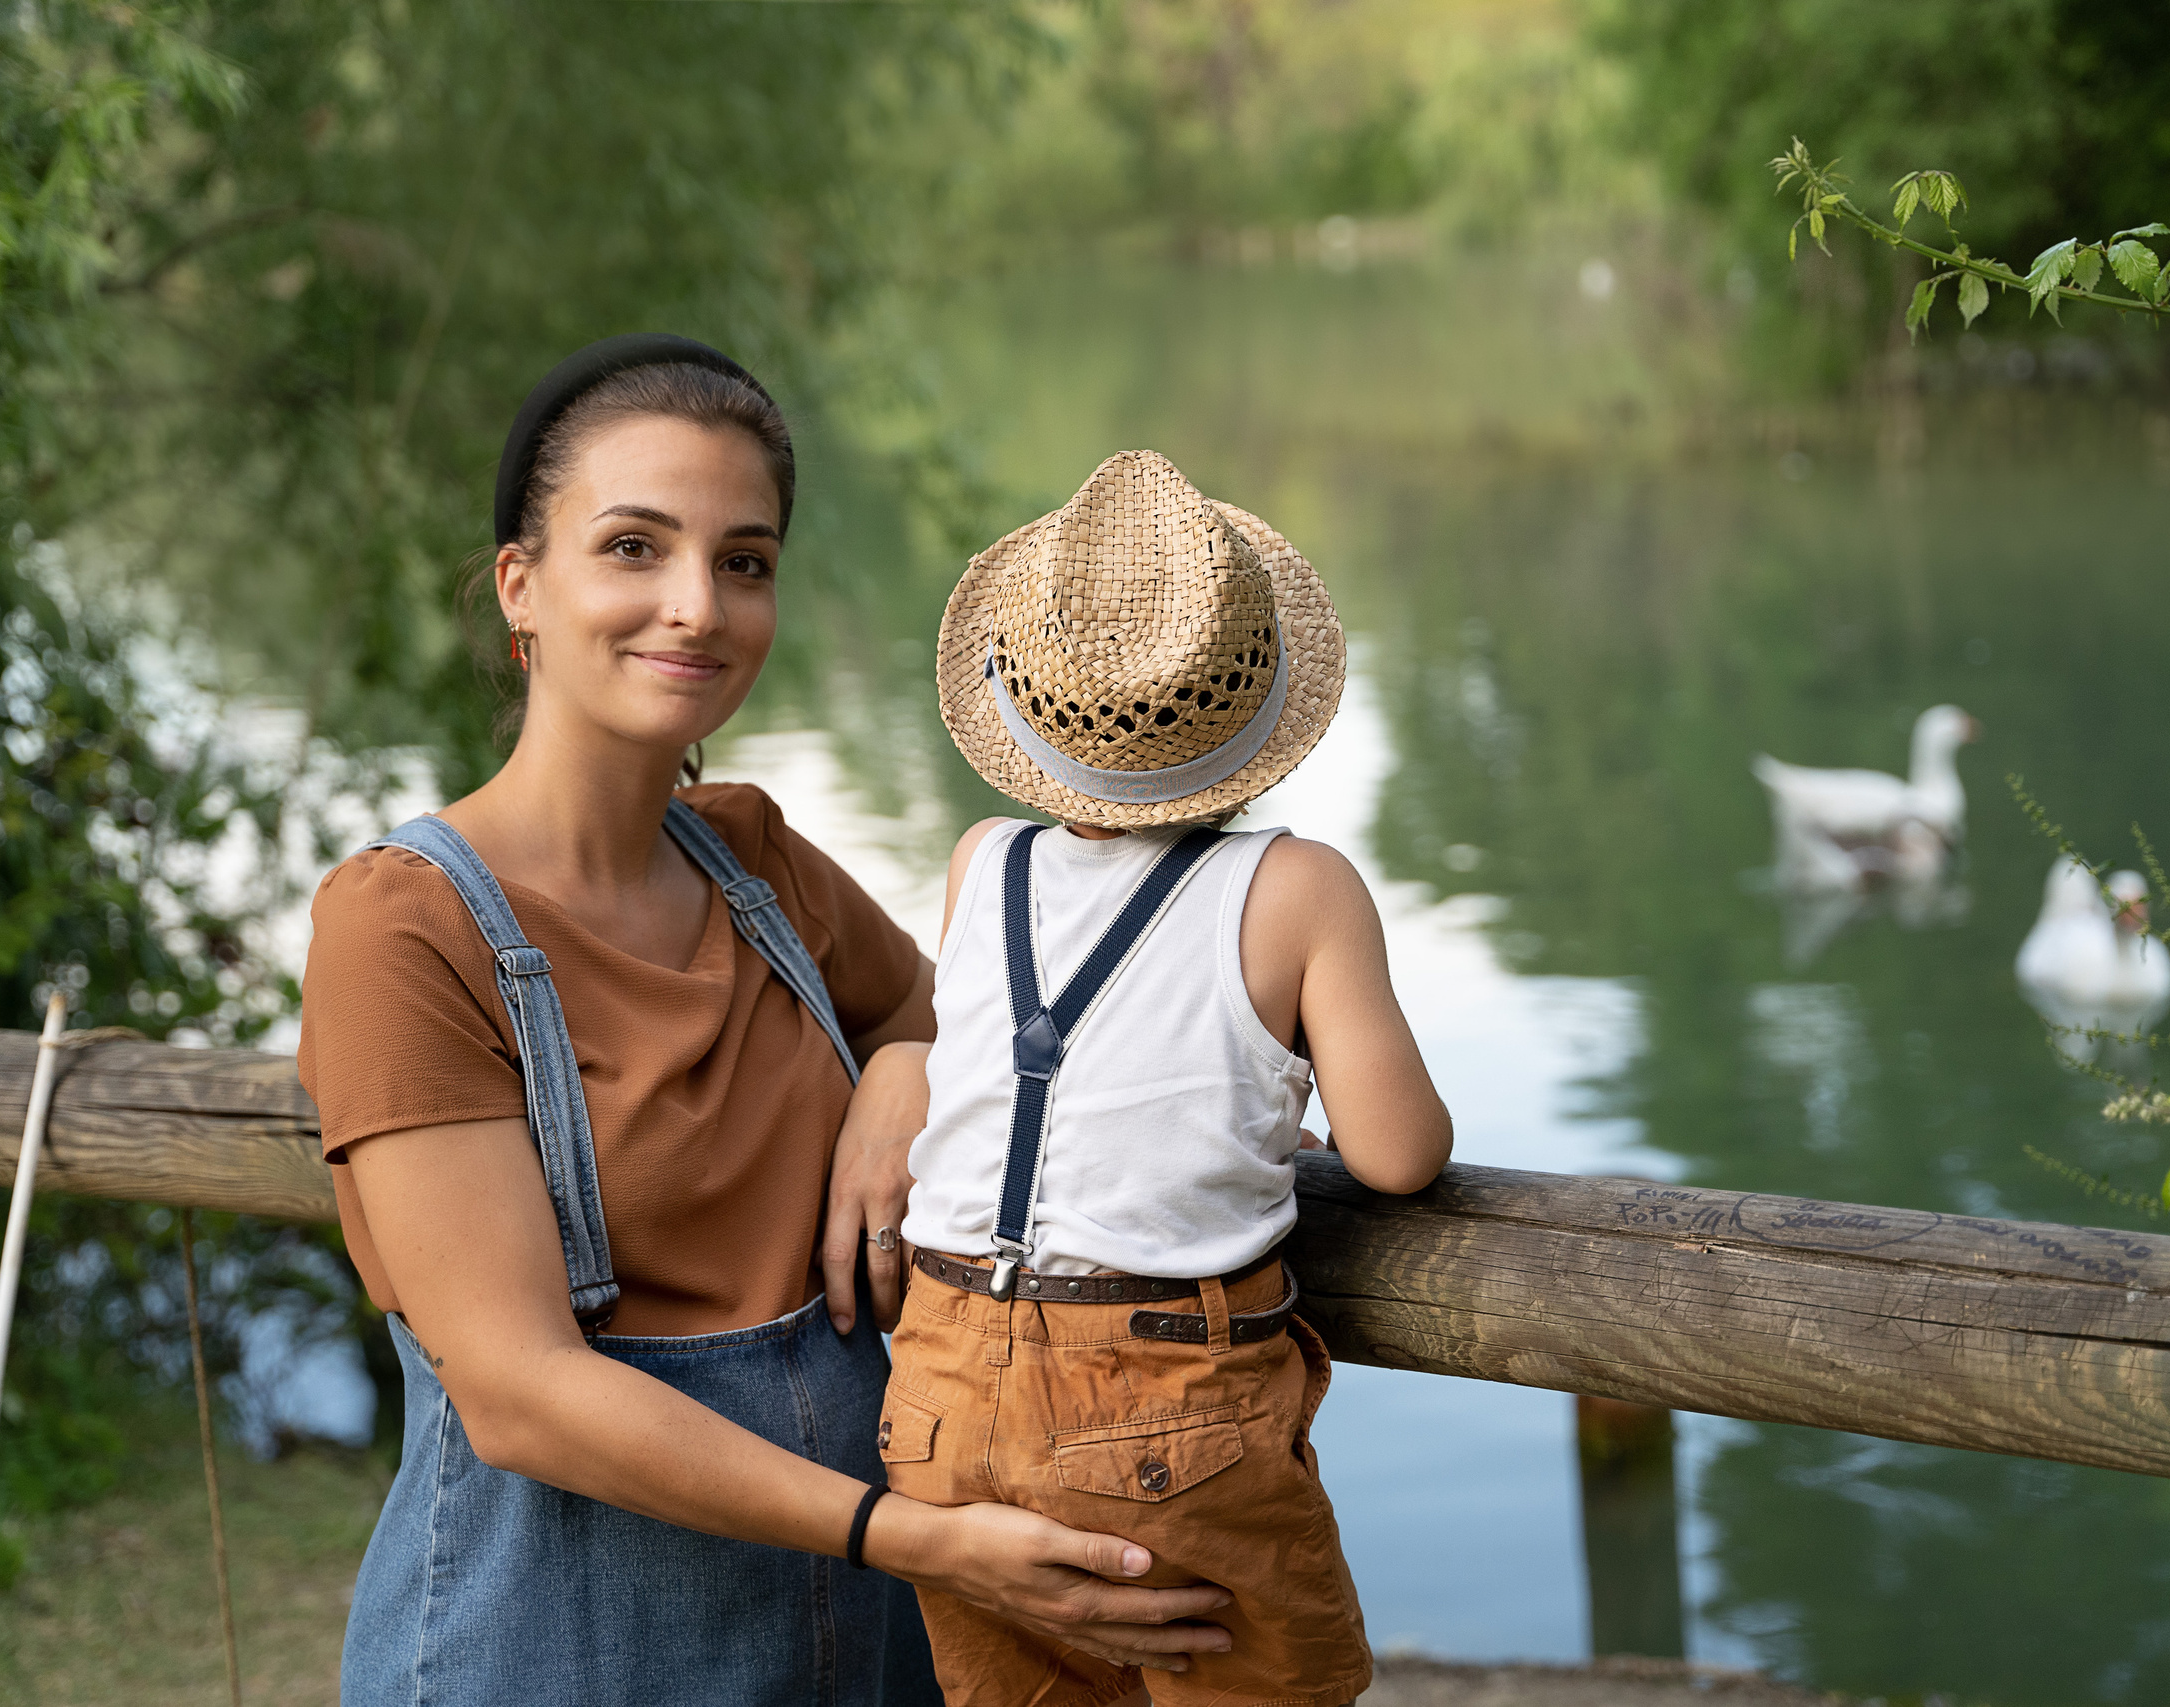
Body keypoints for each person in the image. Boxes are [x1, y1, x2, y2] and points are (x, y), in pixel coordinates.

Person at [296, 340, 1241, 1707]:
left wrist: (907, 1066)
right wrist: (919, 1537)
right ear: (522, 586)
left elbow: (980, 1018)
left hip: (863, 1651)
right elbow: (516, 1389)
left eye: (745, 560)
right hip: (560, 1657)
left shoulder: (758, 861)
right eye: (634, 545)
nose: (696, 605)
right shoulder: (405, 928)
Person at [880, 450, 1456, 1706]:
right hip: (1154, 1400)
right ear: (1257, 700)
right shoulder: (1297, 888)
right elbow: (1398, 1154)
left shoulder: (984, 862)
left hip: (934, 1381)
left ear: (1029, 705)